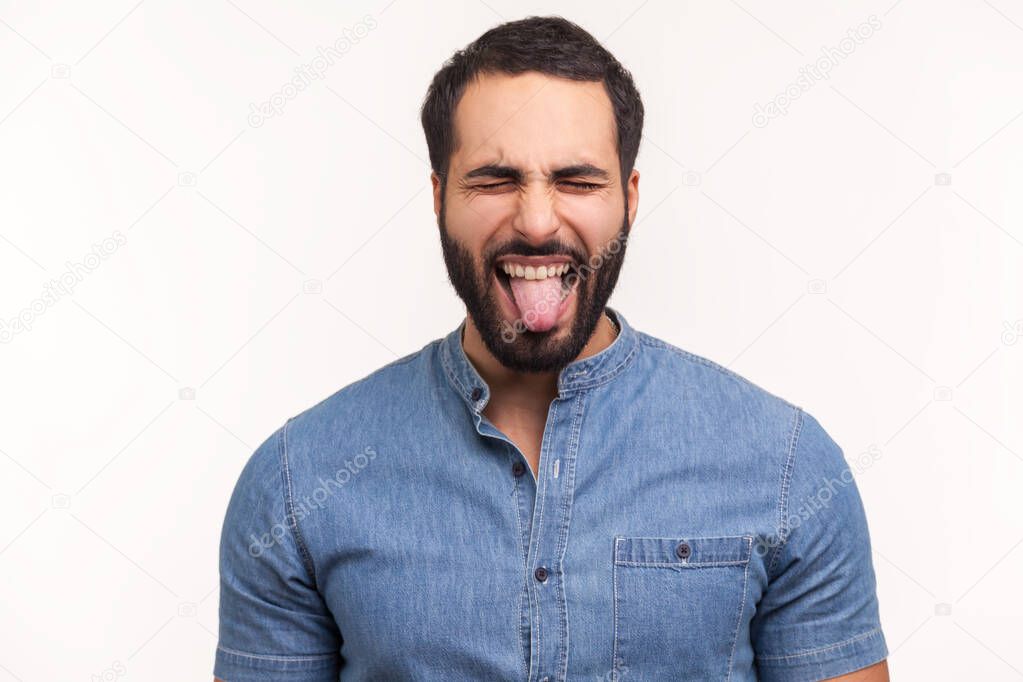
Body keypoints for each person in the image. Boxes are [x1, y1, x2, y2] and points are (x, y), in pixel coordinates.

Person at [215, 15, 889, 681]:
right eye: (494, 179)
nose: (537, 221)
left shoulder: (785, 467)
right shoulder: (298, 481)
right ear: (438, 197)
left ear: (628, 198)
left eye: (576, 180)